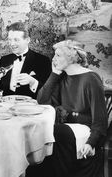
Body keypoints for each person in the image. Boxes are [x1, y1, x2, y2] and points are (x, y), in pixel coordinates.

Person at [26, 40, 107, 177]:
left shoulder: (91, 79)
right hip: (65, 126)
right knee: (43, 131)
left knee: (53, 132)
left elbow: (100, 119)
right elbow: (42, 101)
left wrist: (91, 143)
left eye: (58, 55)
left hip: (85, 128)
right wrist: (54, 74)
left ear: (71, 57)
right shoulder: (62, 77)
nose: (53, 59)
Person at [0, 22, 51, 99]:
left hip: (29, 108)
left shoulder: (42, 60)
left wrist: (32, 82)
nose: (12, 44)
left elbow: (48, 92)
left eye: (16, 40)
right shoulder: (4, 60)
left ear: (27, 40)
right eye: (10, 40)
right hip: (7, 106)